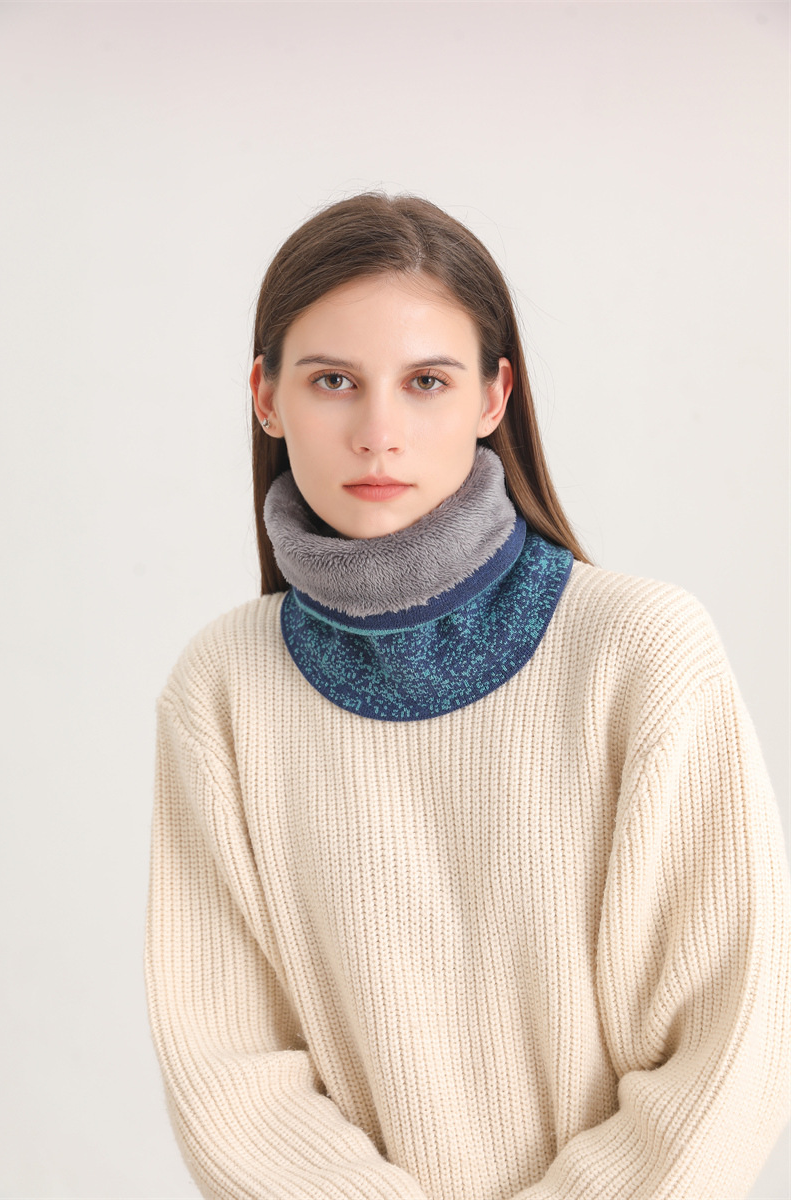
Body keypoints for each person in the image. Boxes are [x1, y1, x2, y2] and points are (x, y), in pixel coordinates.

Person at [144, 192, 791, 1200]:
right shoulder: (222, 688)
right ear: (265, 397)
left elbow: (728, 1043)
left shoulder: (640, 653)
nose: (379, 433)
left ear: (494, 396)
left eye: (426, 381)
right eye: (332, 381)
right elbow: (229, 1073)